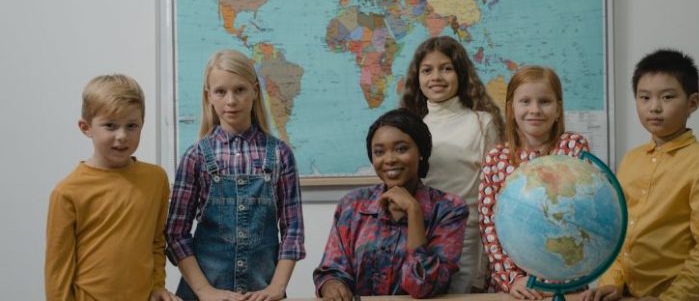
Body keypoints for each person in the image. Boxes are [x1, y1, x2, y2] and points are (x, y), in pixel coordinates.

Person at [580, 49, 699, 301]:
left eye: (668, 97)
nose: (654, 107)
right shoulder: (631, 159)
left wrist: (670, 299)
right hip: (631, 294)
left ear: (693, 102)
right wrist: (613, 282)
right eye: (644, 97)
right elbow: (620, 233)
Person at [165, 49, 305, 301]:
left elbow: (293, 230)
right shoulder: (195, 157)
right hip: (203, 295)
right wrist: (205, 292)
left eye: (239, 90)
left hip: (262, 293)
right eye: (221, 91)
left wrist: (277, 288)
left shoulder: (281, 154)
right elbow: (176, 234)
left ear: (254, 91)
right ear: (209, 96)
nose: (231, 100)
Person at [45, 74, 178, 301]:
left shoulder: (156, 179)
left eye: (132, 126)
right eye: (110, 126)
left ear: (142, 125)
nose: (122, 136)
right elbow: (58, 270)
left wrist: (157, 286)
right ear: (86, 127)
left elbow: (157, 241)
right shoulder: (67, 192)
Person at [313, 109, 469, 301]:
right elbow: (331, 270)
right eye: (379, 152)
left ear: (421, 152)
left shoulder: (449, 209)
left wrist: (414, 211)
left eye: (401, 149)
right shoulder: (352, 205)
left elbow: (423, 286)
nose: (389, 159)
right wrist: (332, 285)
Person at [400, 36, 505, 293]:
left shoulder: (482, 122)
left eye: (446, 68)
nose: (436, 76)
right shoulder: (409, 125)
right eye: (427, 70)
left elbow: (497, 189)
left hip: (467, 237)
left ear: (461, 73)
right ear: (417, 78)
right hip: (418, 233)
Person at [478, 66, 589, 299]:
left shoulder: (572, 148)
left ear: (558, 109)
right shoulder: (496, 159)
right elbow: (489, 225)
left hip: (567, 286)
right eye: (525, 101)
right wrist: (513, 279)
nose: (535, 110)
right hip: (515, 290)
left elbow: (584, 218)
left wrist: (554, 283)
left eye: (545, 101)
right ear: (511, 109)